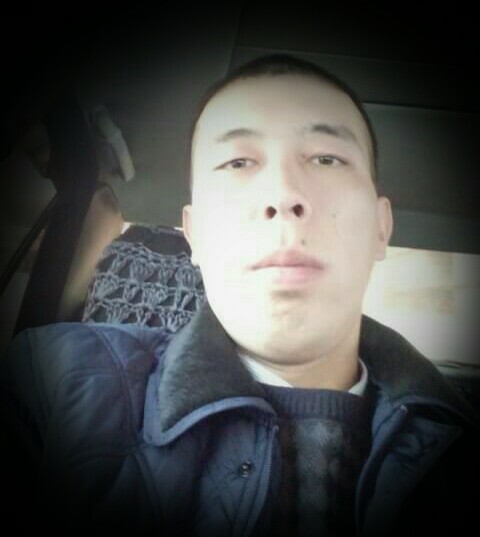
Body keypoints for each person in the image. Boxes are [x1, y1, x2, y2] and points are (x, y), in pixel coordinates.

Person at [1, 54, 479, 537]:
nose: (283, 195)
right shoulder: (55, 378)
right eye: (237, 162)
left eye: (326, 158)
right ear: (195, 235)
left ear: (381, 226)